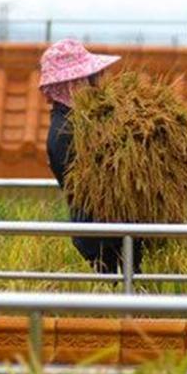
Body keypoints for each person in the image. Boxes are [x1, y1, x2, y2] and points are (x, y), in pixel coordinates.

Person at [40, 38, 144, 276]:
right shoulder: (66, 133)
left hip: (113, 231)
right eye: (91, 78)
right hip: (102, 238)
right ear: (73, 83)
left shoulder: (83, 123)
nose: (98, 84)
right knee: (117, 298)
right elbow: (91, 190)